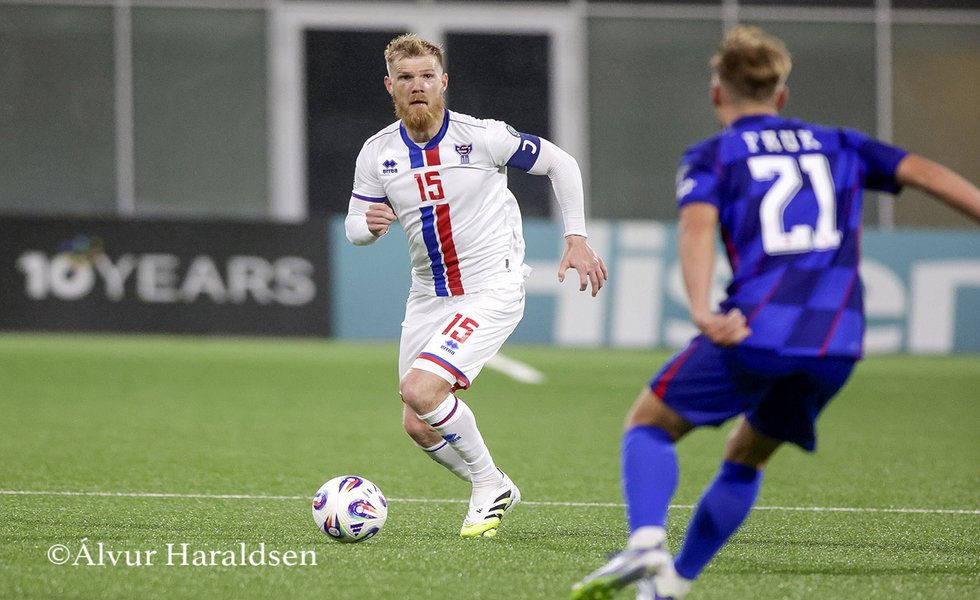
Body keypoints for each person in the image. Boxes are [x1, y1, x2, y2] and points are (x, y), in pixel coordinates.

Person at [571, 25, 980, 600]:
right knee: (747, 455)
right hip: (836, 343)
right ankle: (672, 585)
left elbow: (696, 229)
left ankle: (645, 543)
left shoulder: (714, 155)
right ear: (781, 95)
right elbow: (926, 173)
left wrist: (701, 309)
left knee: (649, 425)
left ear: (718, 93)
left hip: (758, 330)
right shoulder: (842, 144)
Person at [346, 34, 608, 539]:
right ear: (389, 86)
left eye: (427, 76)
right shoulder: (377, 152)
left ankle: (488, 485)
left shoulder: (484, 137)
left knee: (420, 389)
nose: (417, 86)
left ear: (443, 82)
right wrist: (368, 227)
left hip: (492, 285)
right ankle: (494, 482)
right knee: (417, 421)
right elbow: (355, 225)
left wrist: (576, 237)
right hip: (428, 293)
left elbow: (561, 164)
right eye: (406, 78)